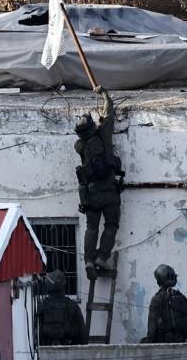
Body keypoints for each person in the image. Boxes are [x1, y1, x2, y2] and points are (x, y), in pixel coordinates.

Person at [74, 86, 124, 280]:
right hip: (110, 192)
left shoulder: (79, 146)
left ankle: (88, 260)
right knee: (111, 225)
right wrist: (104, 94)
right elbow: (109, 111)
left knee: (91, 228)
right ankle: (102, 257)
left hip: (91, 194)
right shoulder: (103, 133)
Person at [142, 264, 187, 343]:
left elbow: (152, 331)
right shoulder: (182, 298)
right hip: (182, 344)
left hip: (163, 347)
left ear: (159, 280)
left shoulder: (157, 299)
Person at [38, 270, 87, 346]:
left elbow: (36, 335)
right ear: (64, 286)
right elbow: (83, 336)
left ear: (47, 286)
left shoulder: (42, 307)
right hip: (70, 352)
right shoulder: (73, 306)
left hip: (46, 352)